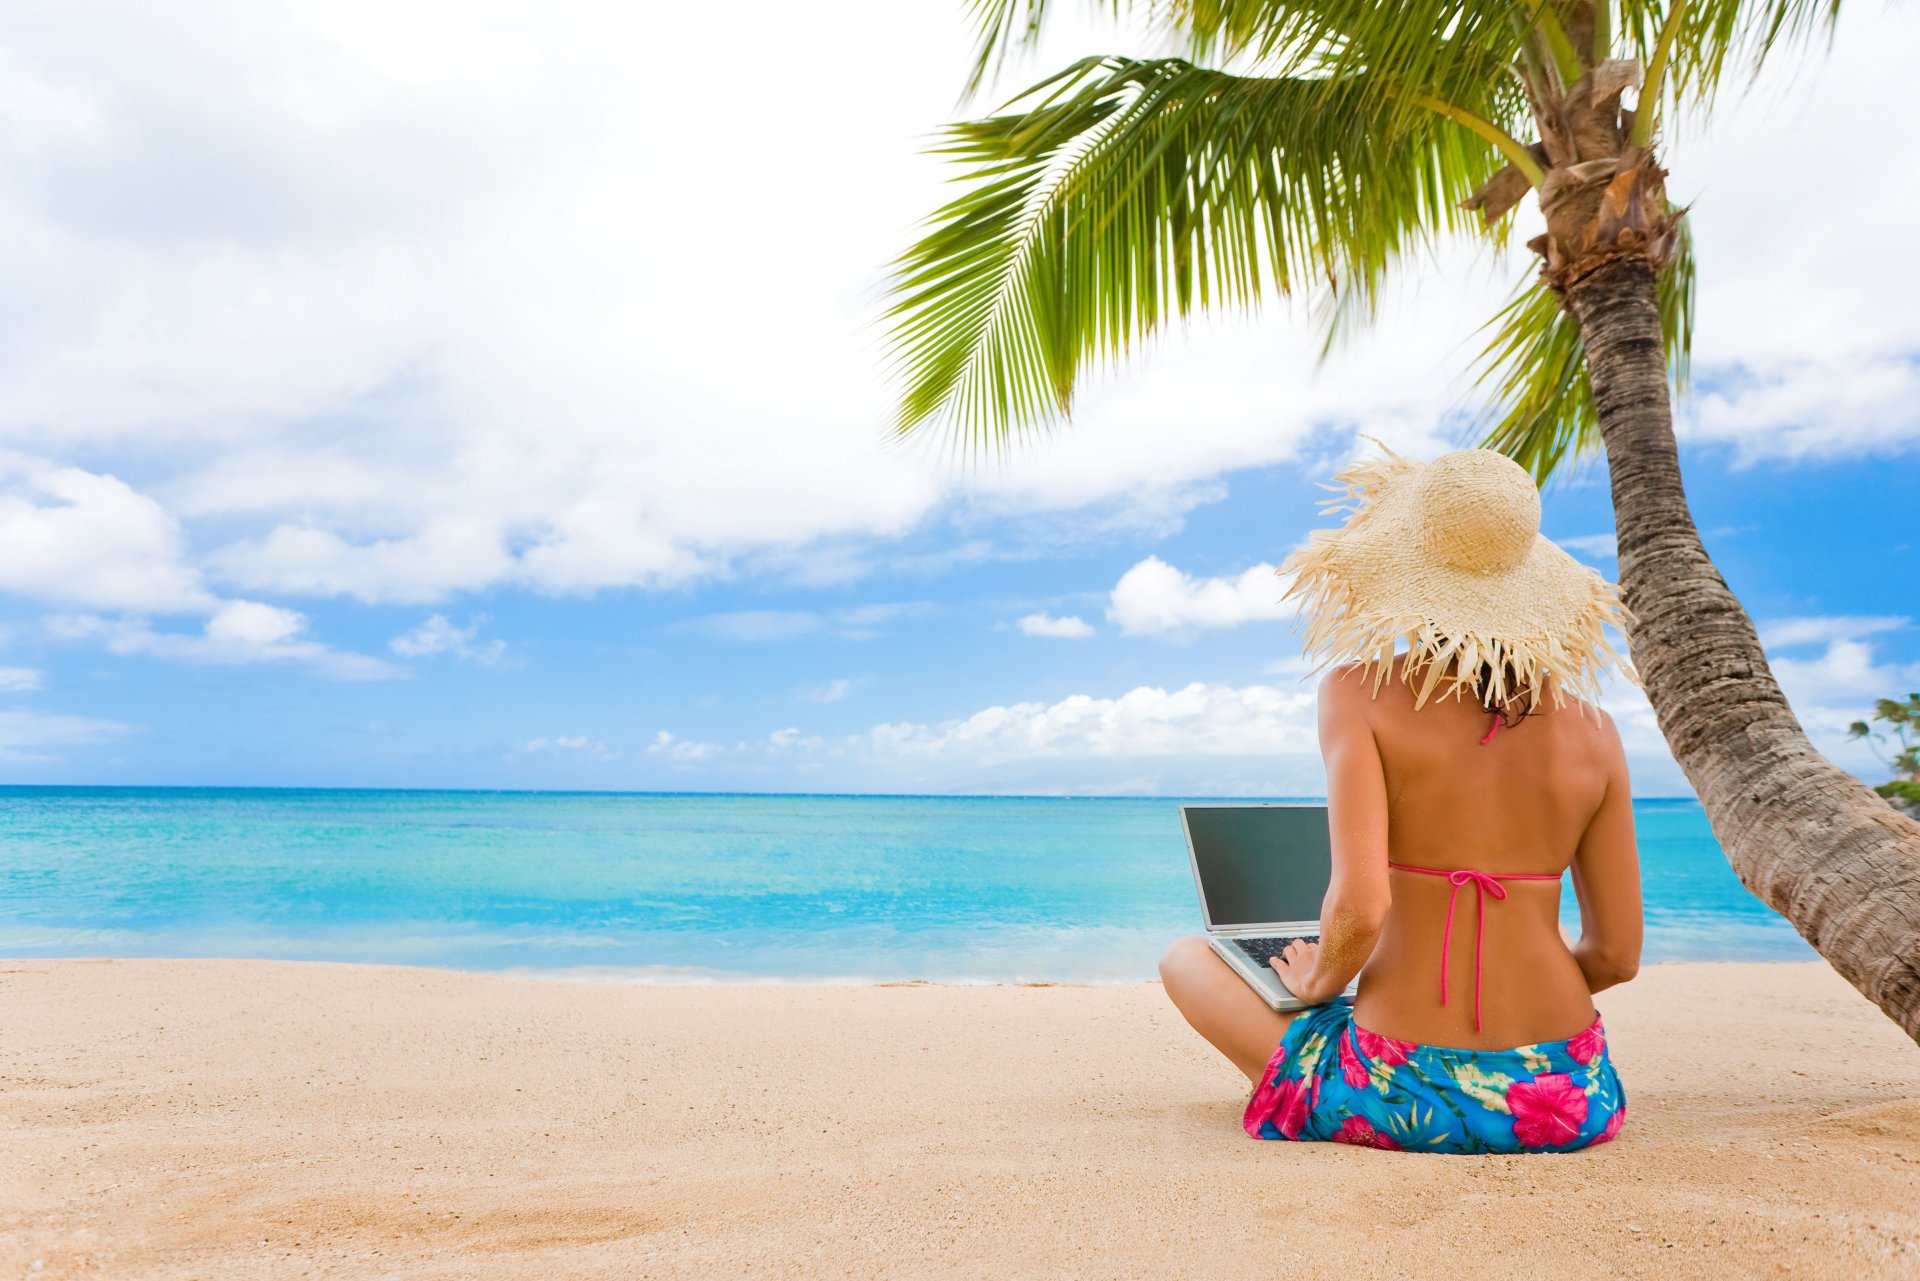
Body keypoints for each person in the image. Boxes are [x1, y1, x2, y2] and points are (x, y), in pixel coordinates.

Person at [1158, 446, 1641, 1154]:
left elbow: (1362, 906)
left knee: (1184, 959)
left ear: (1405, 573)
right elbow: (1617, 954)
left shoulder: (1359, 691)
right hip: (1567, 1094)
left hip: (1399, 1086)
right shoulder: (1598, 733)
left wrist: (1321, 979)